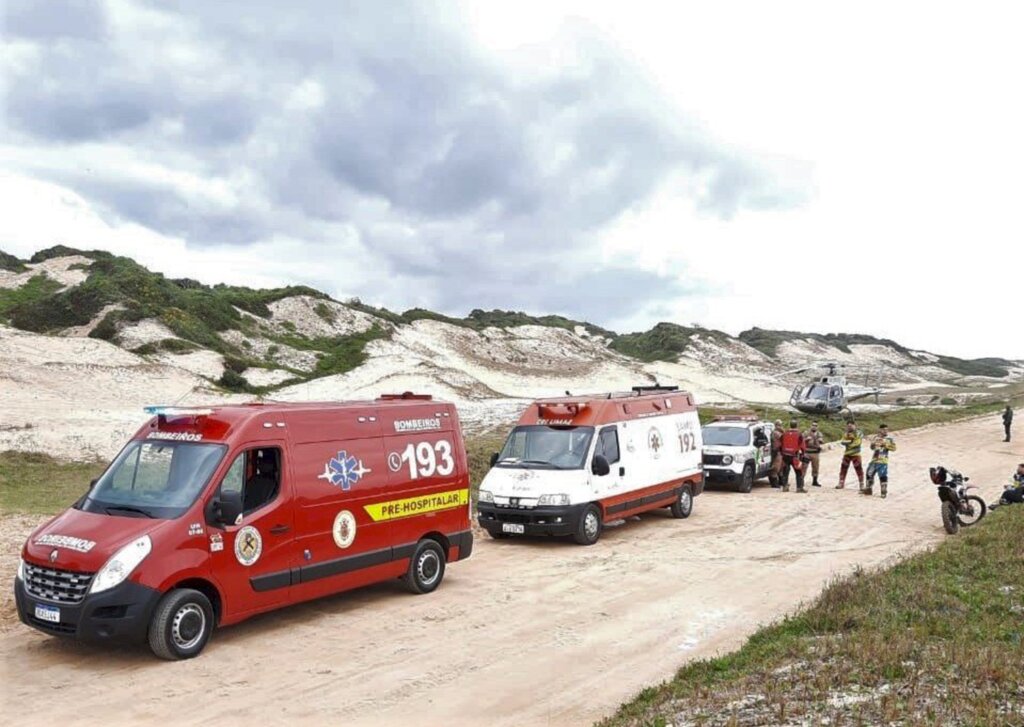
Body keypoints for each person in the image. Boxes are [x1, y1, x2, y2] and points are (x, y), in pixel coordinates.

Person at [864, 424, 896, 498]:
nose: (885, 431)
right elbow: (872, 448)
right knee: (869, 473)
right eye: (884, 430)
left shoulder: (889, 439)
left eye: (886, 430)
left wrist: (885, 445)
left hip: (883, 459)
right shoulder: (876, 437)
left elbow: (894, 448)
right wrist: (873, 444)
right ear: (880, 430)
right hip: (874, 459)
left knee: (882, 475)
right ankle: (868, 488)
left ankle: (883, 490)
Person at [779, 420, 807, 493]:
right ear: (797, 425)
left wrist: (782, 452)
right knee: (798, 472)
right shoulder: (799, 434)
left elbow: (780, 443)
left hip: (785, 455)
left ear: (790, 425)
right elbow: (802, 446)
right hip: (795, 456)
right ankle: (799, 488)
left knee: (785, 471)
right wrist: (803, 454)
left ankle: (785, 487)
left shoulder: (784, 433)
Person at [837, 421, 864, 490]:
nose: (849, 427)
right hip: (847, 454)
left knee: (858, 469)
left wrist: (848, 442)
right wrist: (850, 441)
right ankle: (841, 482)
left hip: (856, 454)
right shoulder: (846, 433)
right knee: (843, 468)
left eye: (851, 425)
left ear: (855, 425)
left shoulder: (859, 433)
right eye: (848, 426)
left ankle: (861, 484)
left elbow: (857, 443)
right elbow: (842, 442)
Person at [803, 420, 824, 487]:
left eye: (816, 426)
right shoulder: (806, 433)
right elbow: (801, 440)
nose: (814, 427)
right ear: (810, 426)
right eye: (813, 425)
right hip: (807, 452)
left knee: (815, 467)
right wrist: (806, 439)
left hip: (815, 452)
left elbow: (821, 441)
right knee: (804, 467)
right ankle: (801, 480)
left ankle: (814, 481)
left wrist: (820, 441)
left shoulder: (819, 434)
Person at [769, 419, 784, 488]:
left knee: (780, 467)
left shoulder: (778, 432)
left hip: (780, 451)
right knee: (775, 467)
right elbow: (783, 437)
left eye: (780, 425)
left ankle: (781, 481)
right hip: (776, 451)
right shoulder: (776, 433)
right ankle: (774, 483)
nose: (780, 426)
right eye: (779, 425)